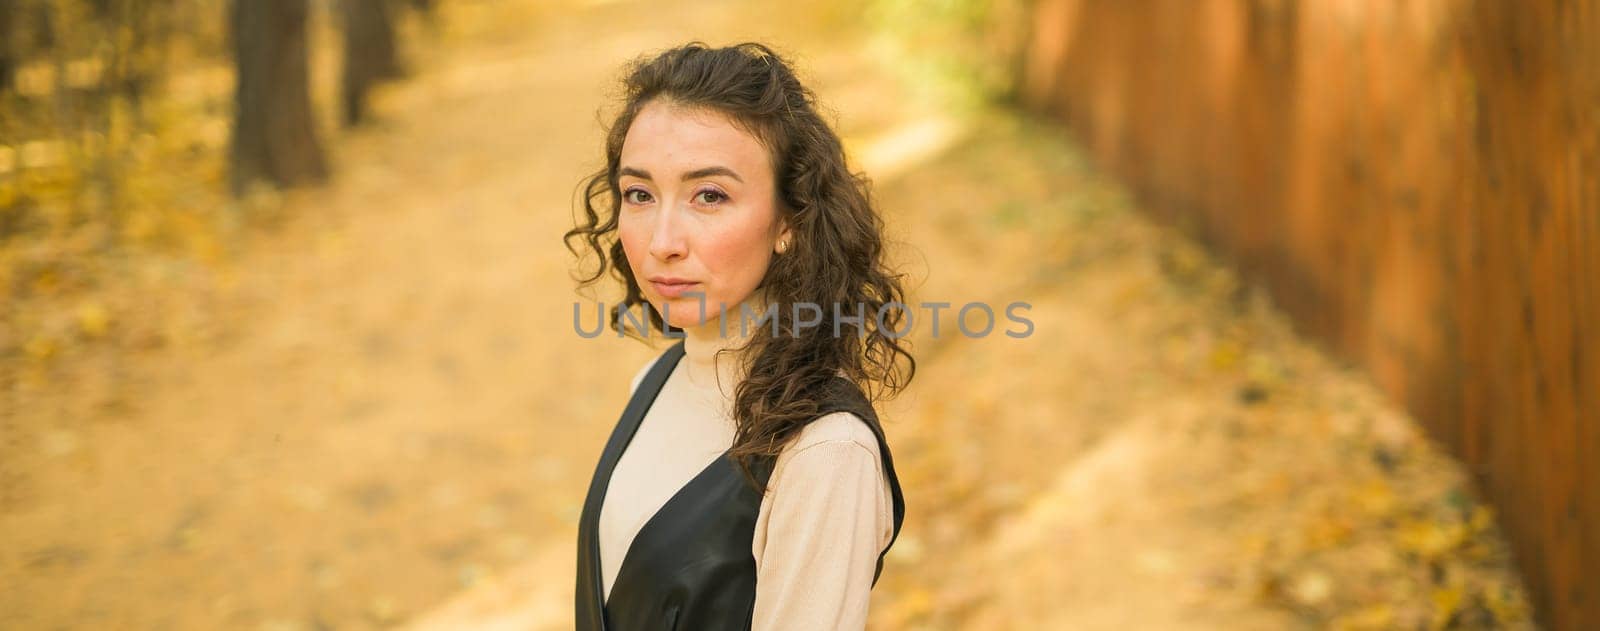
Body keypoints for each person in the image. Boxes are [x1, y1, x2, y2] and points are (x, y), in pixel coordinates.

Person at [565, 41, 915, 630]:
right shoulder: (657, 379)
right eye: (640, 194)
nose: (662, 241)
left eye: (710, 196)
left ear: (787, 220)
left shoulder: (825, 453)